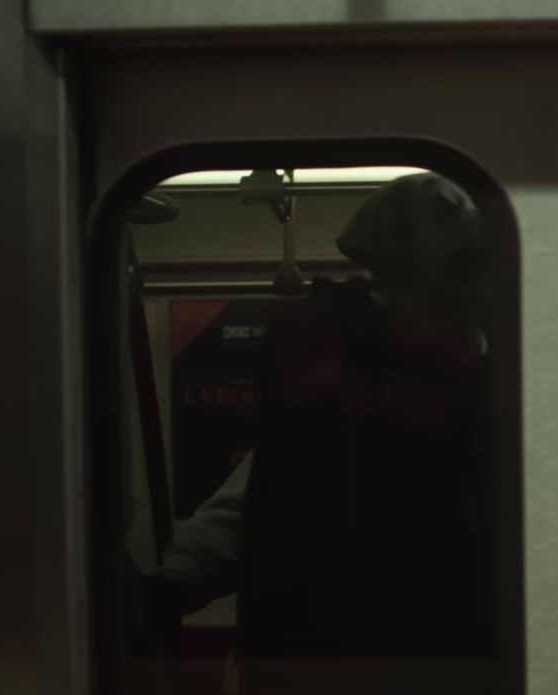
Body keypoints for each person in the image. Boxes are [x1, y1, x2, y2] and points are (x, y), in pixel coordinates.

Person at [140, 172, 491, 659]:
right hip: (334, 652)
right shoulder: (335, 367)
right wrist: (178, 576)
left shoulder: (489, 379)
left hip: (427, 647)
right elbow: (266, 489)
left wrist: (183, 571)